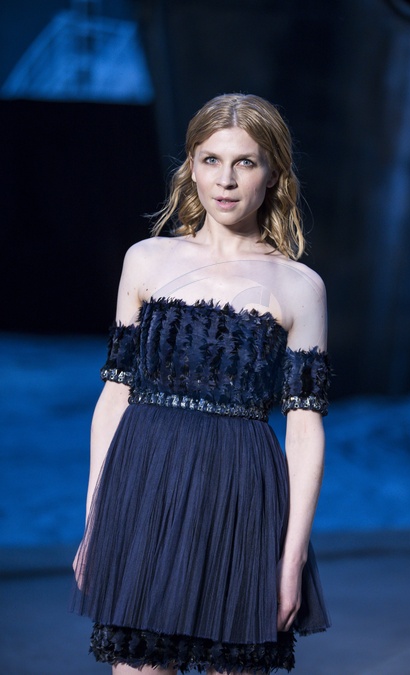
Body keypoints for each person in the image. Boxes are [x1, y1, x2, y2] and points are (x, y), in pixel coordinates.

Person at [71, 93, 331, 674]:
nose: (226, 180)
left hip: (241, 499)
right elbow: (114, 396)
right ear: (191, 165)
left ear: (273, 173)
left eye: (245, 162)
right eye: (212, 159)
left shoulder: (300, 287)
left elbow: (304, 430)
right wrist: (96, 524)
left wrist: (291, 559)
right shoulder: (146, 260)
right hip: (146, 490)